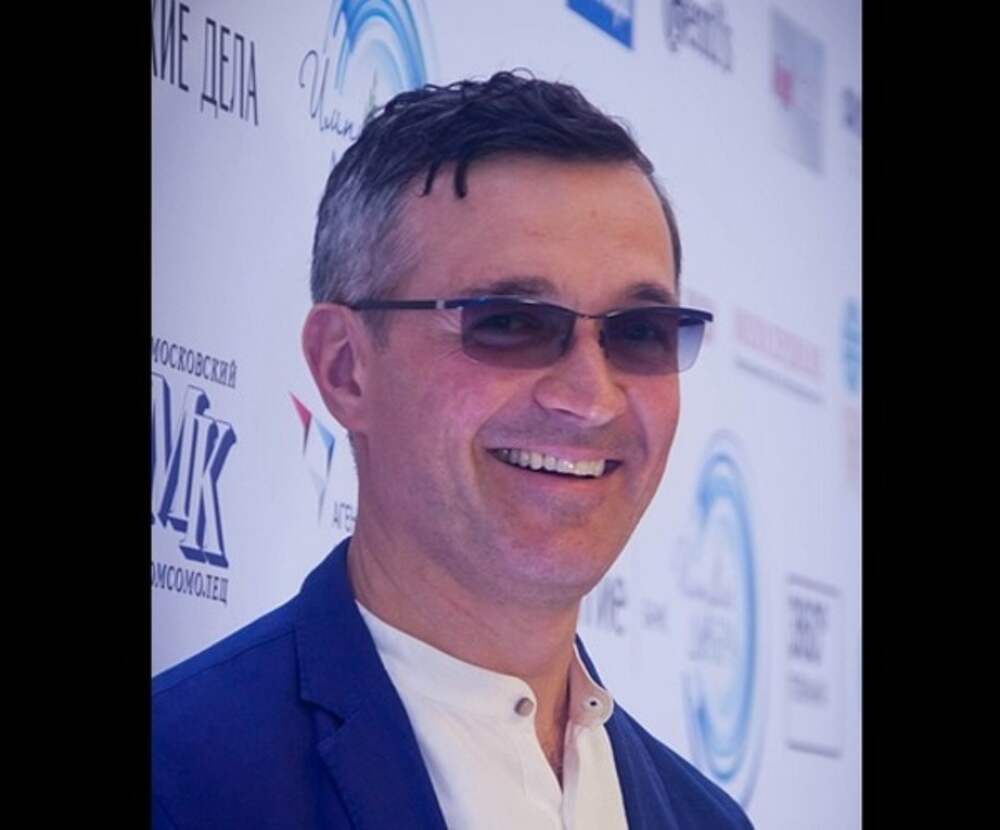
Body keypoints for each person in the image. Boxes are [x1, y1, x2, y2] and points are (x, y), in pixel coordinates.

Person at [153, 70, 753, 829]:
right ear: (345, 367)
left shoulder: (706, 818)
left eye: (639, 333)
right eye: (510, 323)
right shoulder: (178, 778)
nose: (591, 397)